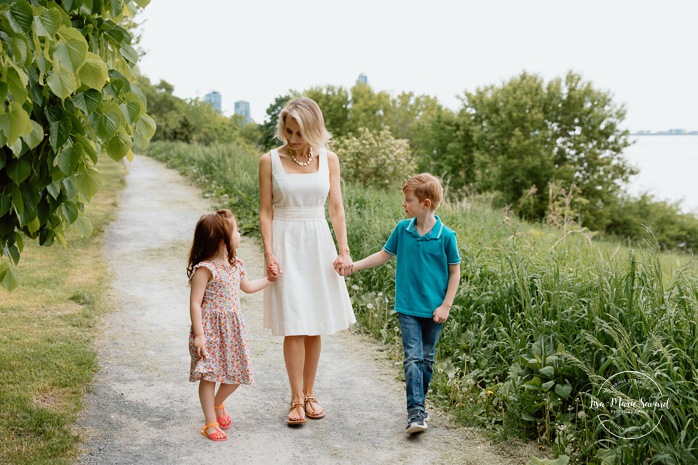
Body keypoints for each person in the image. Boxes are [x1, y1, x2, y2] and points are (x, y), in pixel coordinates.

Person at [259, 97, 355, 425]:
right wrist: (269, 252)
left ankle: (311, 393)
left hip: (318, 242)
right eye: (288, 131)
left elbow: (336, 209)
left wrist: (344, 250)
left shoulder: (329, 160)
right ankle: (296, 398)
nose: (293, 138)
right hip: (285, 241)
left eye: (299, 132)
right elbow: (266, 211)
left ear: (313, 130)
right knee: (294, 323)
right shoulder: (269, 160)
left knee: (315, 323)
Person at [345, 173, 461, 435]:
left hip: (434, 310)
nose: (404, 204)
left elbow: (455, 272)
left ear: (426, 203)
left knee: (427, 360)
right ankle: (416, 412)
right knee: (413, 357)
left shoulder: (446, 236)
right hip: (407, 307)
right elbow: (384, 255)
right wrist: (354, 266)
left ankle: (419, 404)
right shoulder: (402, 229)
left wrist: (446, 306)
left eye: (408, 200)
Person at [188, 209, 277, 441]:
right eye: (236, 231)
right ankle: (210, 422)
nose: (239, 235)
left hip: (232, 328)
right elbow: (196, 304)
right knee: (209, 375)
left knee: (237, 373)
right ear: (221, 240)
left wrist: (269, 280)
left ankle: (218, 403)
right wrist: (199, 334)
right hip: (209, 331)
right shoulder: (205, 269)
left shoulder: (236, 264)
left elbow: (246, 287)